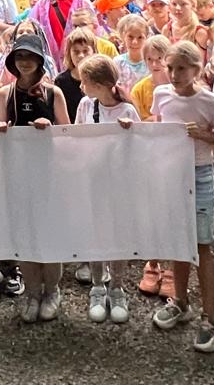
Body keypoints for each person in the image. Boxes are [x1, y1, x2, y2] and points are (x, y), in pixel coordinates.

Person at [150, 40, 214, 353]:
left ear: (196, 69)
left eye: (181, 68)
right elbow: (158, 129)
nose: (173, 74)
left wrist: (201, 135)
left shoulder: (209, 101)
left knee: (202, 245)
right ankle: (180, 301)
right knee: (178, 242)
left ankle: (212, 317)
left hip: (198, 174)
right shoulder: (161, 94)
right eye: (169, 67)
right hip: (171, 174)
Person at [0, 32, 70, 322]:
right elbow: (1, 128)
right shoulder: (5, 93)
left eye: (30, 56)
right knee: (25, 237)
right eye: (20, 56)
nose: (25, 62)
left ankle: (52, 290)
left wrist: (49, 127)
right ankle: (32, 292)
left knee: (49, 235)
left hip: (49, 175)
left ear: (40, 60)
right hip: (18, 174)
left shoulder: (54, 93)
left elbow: (69, 134)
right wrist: (1, 129)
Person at [75, 53, 139, 323]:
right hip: (94, 181)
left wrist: (130, 132)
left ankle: (118, 287)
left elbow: (140, 146)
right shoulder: (86, 106)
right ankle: (98, 286)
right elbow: (77, 136)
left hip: (120, 184)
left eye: (85, 81)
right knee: (96, 233)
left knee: (119, 234)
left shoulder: (127, 111)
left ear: (100, 85)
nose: (80, 86)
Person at [27, 0, 97, 63]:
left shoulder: (82, 2)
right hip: (50, 59)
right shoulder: (42, 5)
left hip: (78, 59)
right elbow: (31, 26)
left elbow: (95, 30)